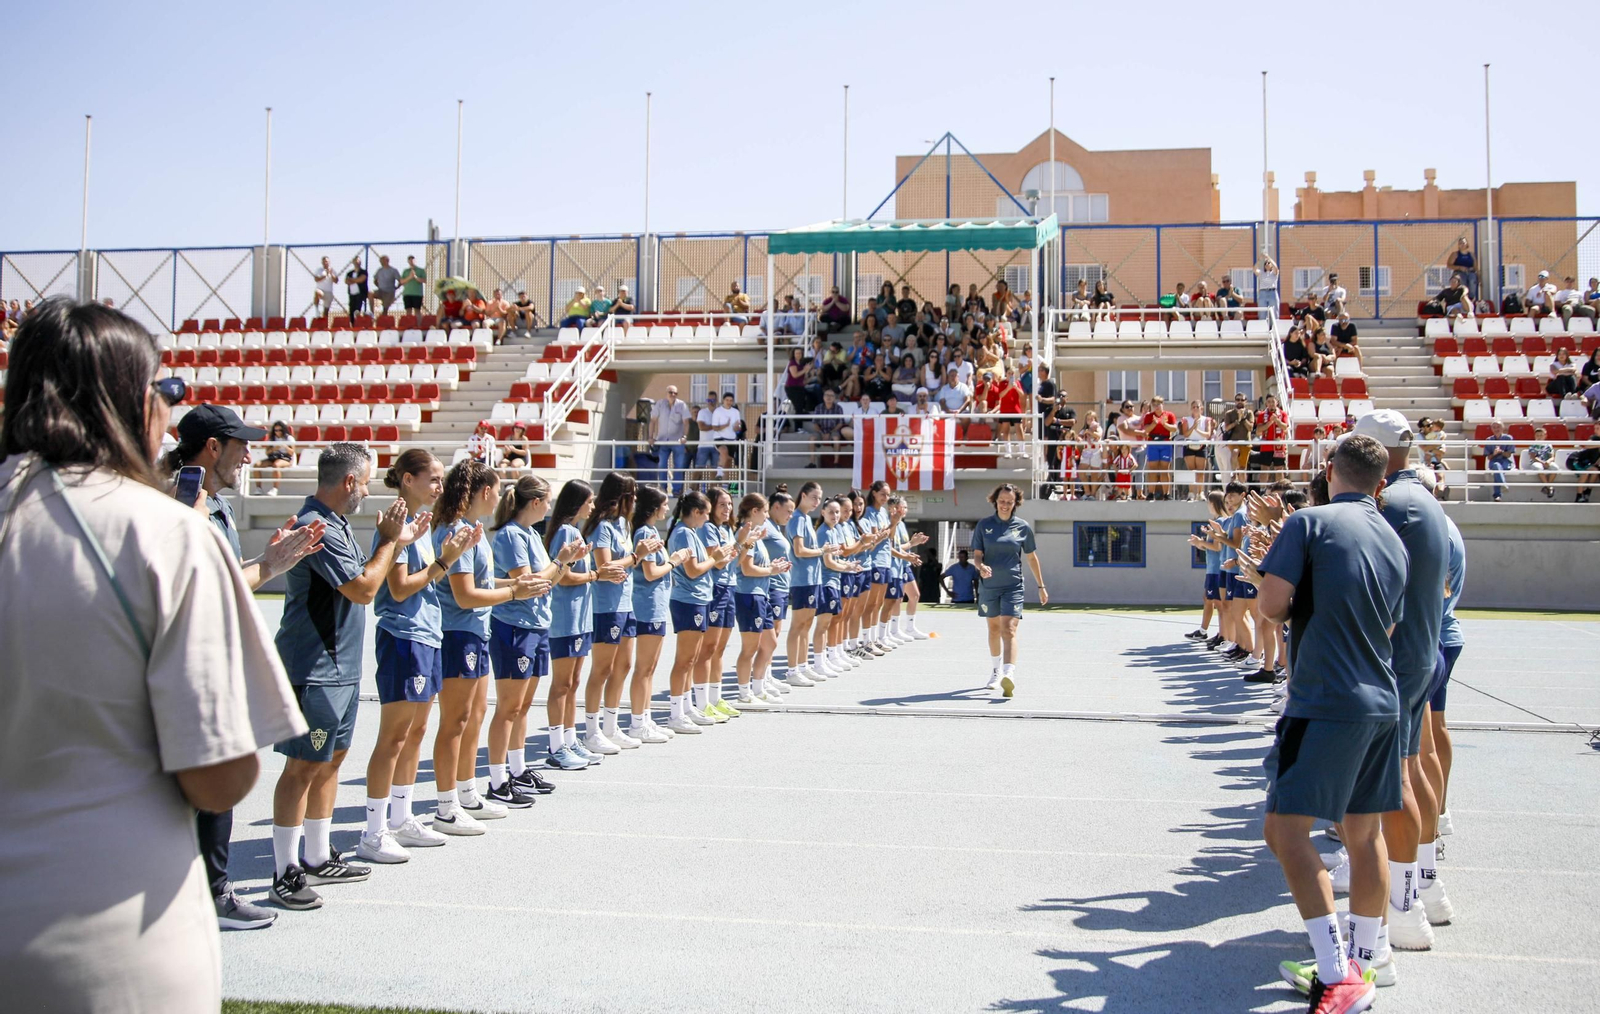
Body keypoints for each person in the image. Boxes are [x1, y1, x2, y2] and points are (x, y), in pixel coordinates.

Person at [0, 300, 306, 1012]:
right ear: (138, 405)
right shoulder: (165, 533)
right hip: (106, 934)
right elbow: (219, 778)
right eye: (164, 396)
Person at [1251, 434, 1408, 1008]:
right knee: (1364, 838)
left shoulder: (1307, 522)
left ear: (1329, 470)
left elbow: (1269, 605)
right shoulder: (1394, 540)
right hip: (1381, 703)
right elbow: (1389, 625)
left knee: (1284, 833)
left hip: (1325, 700)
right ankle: (1365, 964)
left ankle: (1335, 972)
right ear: (1380, 483)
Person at [164, 404, 327, 929]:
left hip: (214, 658)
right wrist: (270, 565)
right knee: (209, 787)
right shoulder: (183, 501)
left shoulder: (215, 504)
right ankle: (208, 898)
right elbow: (197, 583)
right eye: (241, 444)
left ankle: (207, 893)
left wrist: (270, 563)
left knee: (215, 788)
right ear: (213, 447)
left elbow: (226, 577)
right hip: (192, 666)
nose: (249, 453)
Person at [269, 443, 429, 910]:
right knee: (301, 766)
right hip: (314, 666)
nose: (366, 490)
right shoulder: (314, 525)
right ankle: (286, 870)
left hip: (339, 666)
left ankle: (317, 855)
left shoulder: (335, 523)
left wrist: (395, 541)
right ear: (347, 483)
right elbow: (362, 589)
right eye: (363, 481)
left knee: (331, 760)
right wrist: (387, 542)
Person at [1352, 410, 1451, 953]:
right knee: (1411, 769)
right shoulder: (1423, 500)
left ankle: (1404, 907)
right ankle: (1424, 889)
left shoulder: (1394, 504)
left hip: (1396, 657)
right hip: (1417, 652)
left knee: (1396, 783)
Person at [356, 450, 474, 863]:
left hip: (427, 635)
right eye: (434, 479)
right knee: (393, 736)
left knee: (416, 732)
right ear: (408, 479)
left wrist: (445, 557)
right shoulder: (398, 526)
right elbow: (401, 588)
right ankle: (374, 830)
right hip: (403, 636)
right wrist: (446, 560)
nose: (440, 487)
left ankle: (402, 818)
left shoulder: (422, 527)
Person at [545, 480, 623, 766]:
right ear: (577, 503)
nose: (593, 506)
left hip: (578, 618)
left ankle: (569, 739)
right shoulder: (566, 531)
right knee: (562, 684)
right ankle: (557, 747)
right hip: (566, 618)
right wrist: (596, 576)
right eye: (589, 501)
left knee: (573, 682)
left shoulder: (573, 530)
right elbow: (563, 577)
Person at [583, 472, 659, 754]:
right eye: (633, 495)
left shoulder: (623, 526)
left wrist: (633, 557)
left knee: (623, 666)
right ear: (622, 497)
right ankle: (592, 731)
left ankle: (611, 728)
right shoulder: (602, 526)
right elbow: (605, 569)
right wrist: (636, 556)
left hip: (625, 604)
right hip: (606, 606)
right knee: (602, 669)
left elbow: (623, 565)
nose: (636, 500)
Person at [970, 483, 1046, 697]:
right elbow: (977, 555)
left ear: (1016, 503)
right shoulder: (984, 525)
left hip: (1013, 585)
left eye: (1009, 502)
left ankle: (1008, 674)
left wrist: (1041, 586)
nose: (1005, 505)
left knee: (1009, 629)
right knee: (994, 629)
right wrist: (980, 566)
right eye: (1002, 501)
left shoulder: (1022, 527)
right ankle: (995, 672)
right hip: (989, 586)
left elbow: (1031, 557)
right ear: (995, 501)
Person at [665, 490, 729, 733]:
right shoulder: (683, 533)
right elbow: (692, 570)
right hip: (688, 599)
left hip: (698, 598)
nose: (707, 520)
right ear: (696, 512)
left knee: (690, 659)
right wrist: (716, 558)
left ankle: (685, 706)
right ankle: (676, 712)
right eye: (706, 515)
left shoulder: (689, 532)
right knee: (684, 659)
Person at [627, 484, 681, 742]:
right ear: (653, 507)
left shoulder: (649, 531)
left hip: (656, 605)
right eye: (664, 504)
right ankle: (637, 723)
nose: (668, 508)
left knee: (650, 668)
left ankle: (645, 719)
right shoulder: (644, 533)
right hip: (646, 605)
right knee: (644, 668)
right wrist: (674, 562)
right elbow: (649, 573)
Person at [729, 492, 790, 706]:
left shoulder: (756, 534)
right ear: (754, 511)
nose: (766, 516)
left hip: (760, 594)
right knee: (750, 647)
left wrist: (775, 567)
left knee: (770, 642)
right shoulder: (747, 534)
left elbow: (759, 566)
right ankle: (745, 692)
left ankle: (758, 686)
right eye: (764, 511)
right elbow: (747, 569)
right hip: (748, 594)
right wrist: (772, 570)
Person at [1185, 490, 1229, 641]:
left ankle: (1223, 635)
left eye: (1209, 503)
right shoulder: (1217, 521)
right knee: (1208, 599)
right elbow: (1212, 546)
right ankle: (1205, 631)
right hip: (1212, 568)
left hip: (1216, 569)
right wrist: (1200, 544)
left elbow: (1218, 547)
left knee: (1218, 603)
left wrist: (1201, 542)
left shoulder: (1221, 522)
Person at [650, 384, 692, 494]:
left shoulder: (681, 405)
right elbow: (653, 421)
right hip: (662, 440)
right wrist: (651, 437)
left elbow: (686, 423)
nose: (673, 395)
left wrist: (684, 437)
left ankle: (677, 491)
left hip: (677, 441)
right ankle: (662, 490)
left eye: (675, 393)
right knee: (662, 465)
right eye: (670, 392)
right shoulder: (659, 404)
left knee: (678, 466)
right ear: (666, 393)